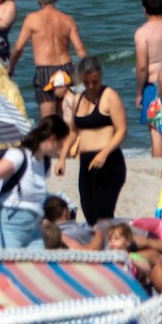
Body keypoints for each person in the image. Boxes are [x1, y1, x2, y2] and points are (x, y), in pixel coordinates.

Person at [0, 116, 71, 248]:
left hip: (34, 225)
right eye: (61, 144)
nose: (61, 149)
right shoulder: (18, 156)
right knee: (11, 266)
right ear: (52, 139)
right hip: (12, 222)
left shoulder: (44, 162)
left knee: (37, 265)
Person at [59, 55, 127, 224]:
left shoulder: (109, 96)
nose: (91, 86)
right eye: (87, 82)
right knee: (89, 212)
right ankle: (102, 249)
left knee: (103, 215)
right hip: (86, 164)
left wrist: (104, 153)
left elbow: (121, 130)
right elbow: (74, 132)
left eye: (95, 82)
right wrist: (62, 158)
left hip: (109, 162)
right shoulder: (77, 99)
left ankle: (109, 248)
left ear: (100, 76)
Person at [9, 0, 87, 119]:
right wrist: (88, 70)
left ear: (39, 0)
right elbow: (80, 49)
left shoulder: (32, 19)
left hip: (45, 71)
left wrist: (11, 67)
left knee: (48, 122)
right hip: (66, 70)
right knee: (66, 121)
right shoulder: (67, 20)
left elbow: (18, 47)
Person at [135, 0, 162, 157]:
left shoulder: (142, 33)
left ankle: (160, 174)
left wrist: (138, 93)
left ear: (144, 10)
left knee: (156, 132)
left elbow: (142, 67)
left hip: (153, 86)